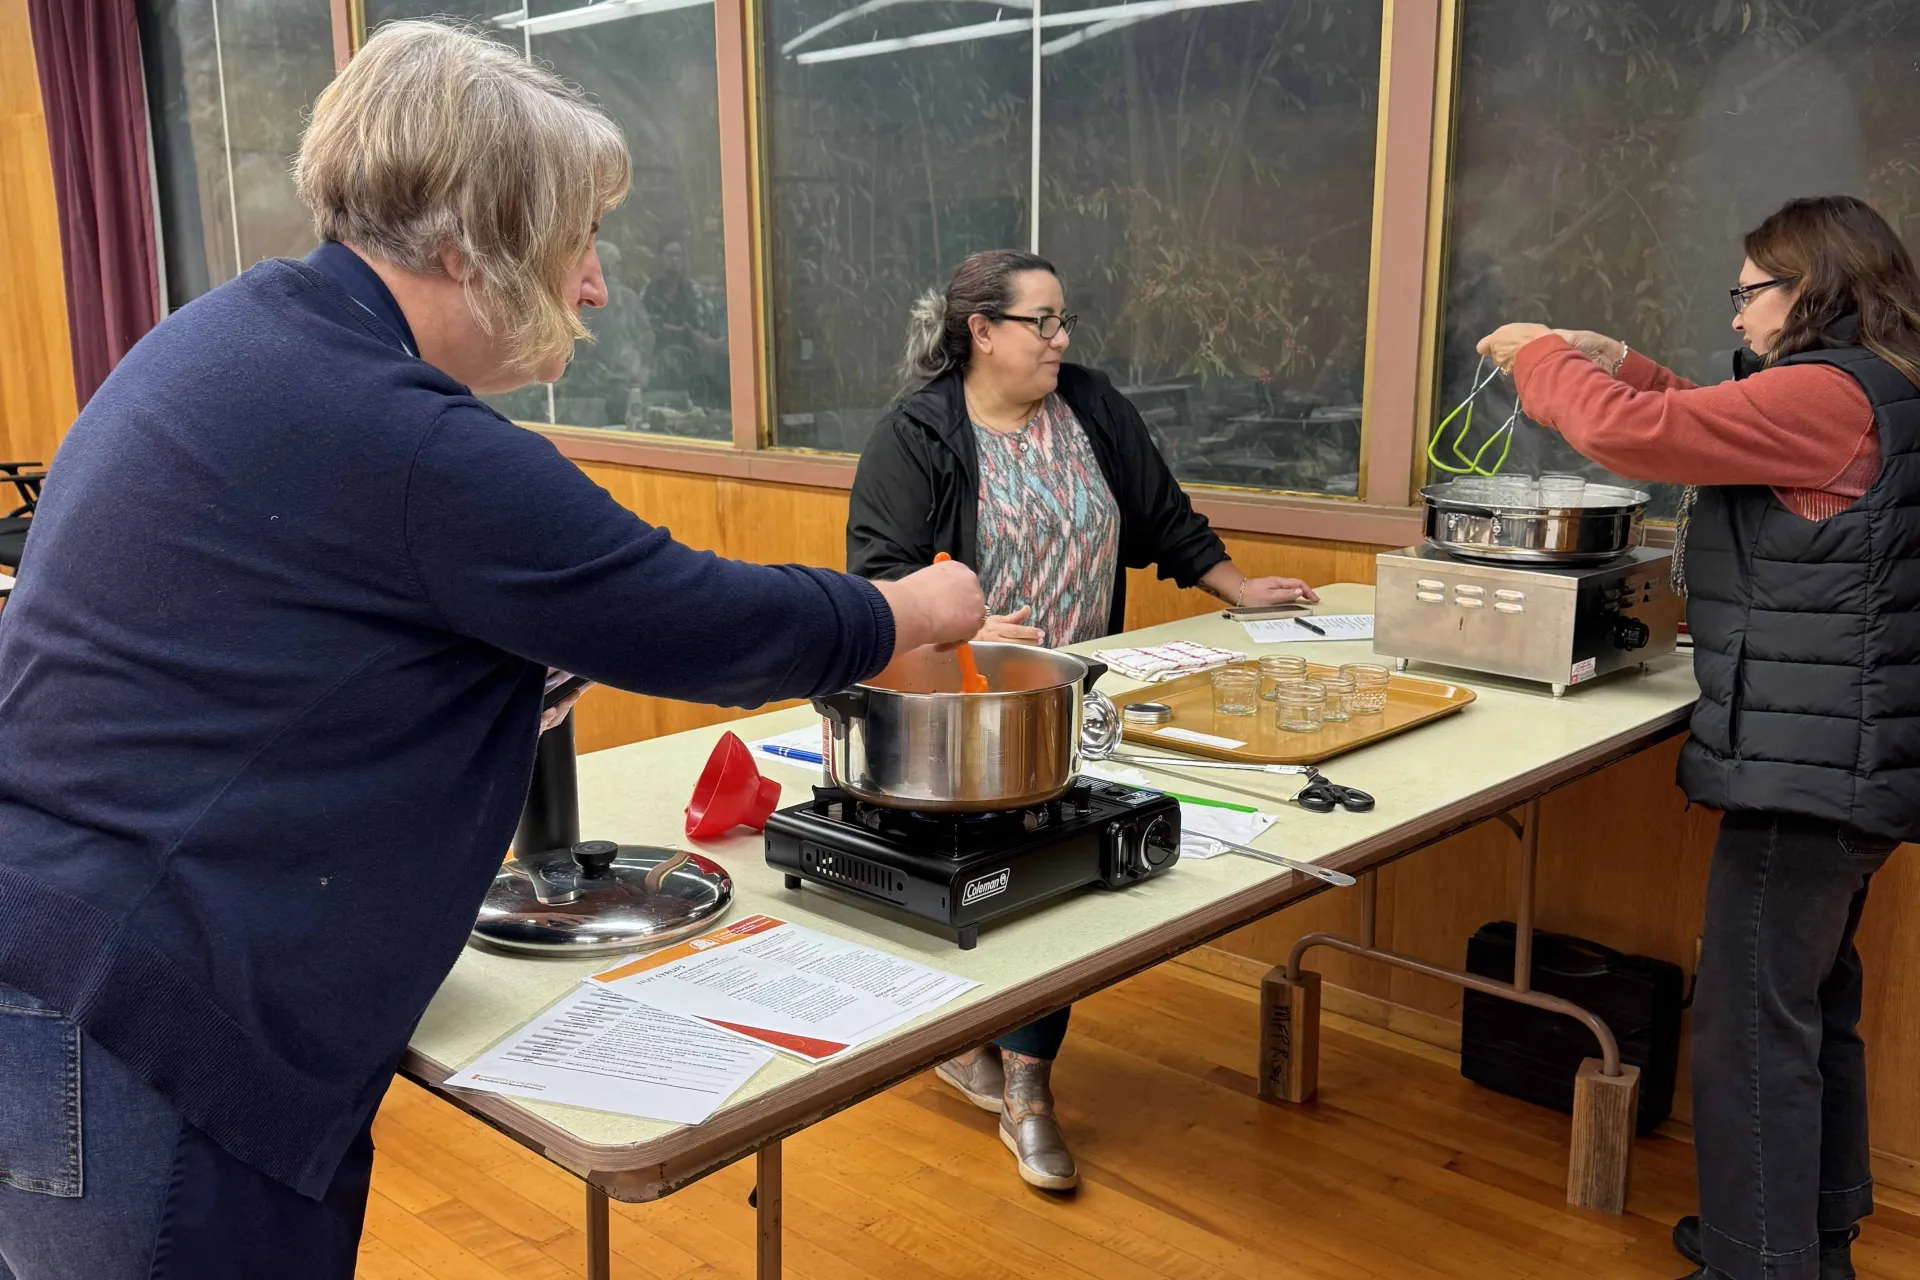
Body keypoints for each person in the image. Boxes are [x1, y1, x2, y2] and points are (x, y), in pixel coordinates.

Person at [0, 22, 983, 1279]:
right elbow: (693, 616)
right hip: (155, 1023)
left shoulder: (231, 340)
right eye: (578, 240)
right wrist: (911, 612)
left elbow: (277, 650)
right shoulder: (402, 434)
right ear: (470, 240)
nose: (596, 286)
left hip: (61, 968)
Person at [1477, 194, 1920, 1280]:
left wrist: (1539, 355)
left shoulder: (1828, 391)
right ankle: (1808, 1239)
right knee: (1808, 1002)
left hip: (1805, 770)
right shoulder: (1876, 386)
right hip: (1843, 757)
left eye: (1750, 291)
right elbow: (1709, 418)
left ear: (1808, 287)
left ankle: (1754, 1260)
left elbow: (1641, 436)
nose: (1742, 315)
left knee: (1750, 1025)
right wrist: (1616, 357)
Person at [845, 248, 1320, 1191]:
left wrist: (1235, 585)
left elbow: (1160, 516)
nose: (1063, 340)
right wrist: (962, 626)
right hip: (968, 701)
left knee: (1057, 881)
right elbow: (880, 578)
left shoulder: (1091, 406)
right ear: (982, 332)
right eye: (1043, 323)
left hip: (1081, 692)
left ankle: (1021, 1079)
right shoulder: (918, 435)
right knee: (999, 882)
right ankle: (996, 1061)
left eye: (1065, 322)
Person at [643, 236, 727, 407]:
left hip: (693, 375)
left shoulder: (696, 295)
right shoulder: (647, 294)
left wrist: (689, 334)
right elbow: (640, 331)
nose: (674, 260)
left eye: (678, 255)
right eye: (669, 255)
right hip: (656, 374)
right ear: (660, 259)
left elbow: (710, 336)